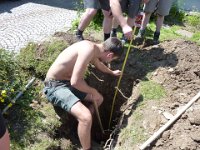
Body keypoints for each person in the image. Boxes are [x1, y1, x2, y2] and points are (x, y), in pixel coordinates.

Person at [43, 37, 123, 150]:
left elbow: (99, 65)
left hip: (67, 83)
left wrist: (112, 72)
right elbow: (75, 82)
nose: (110, 61)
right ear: (109, 55)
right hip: (55, 86)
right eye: (113, 59)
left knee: (99, 99)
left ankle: (84, 125)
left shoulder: (94, 49)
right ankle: (86, 143)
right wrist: (92, 91)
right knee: (86, 117)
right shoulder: (88, 50)